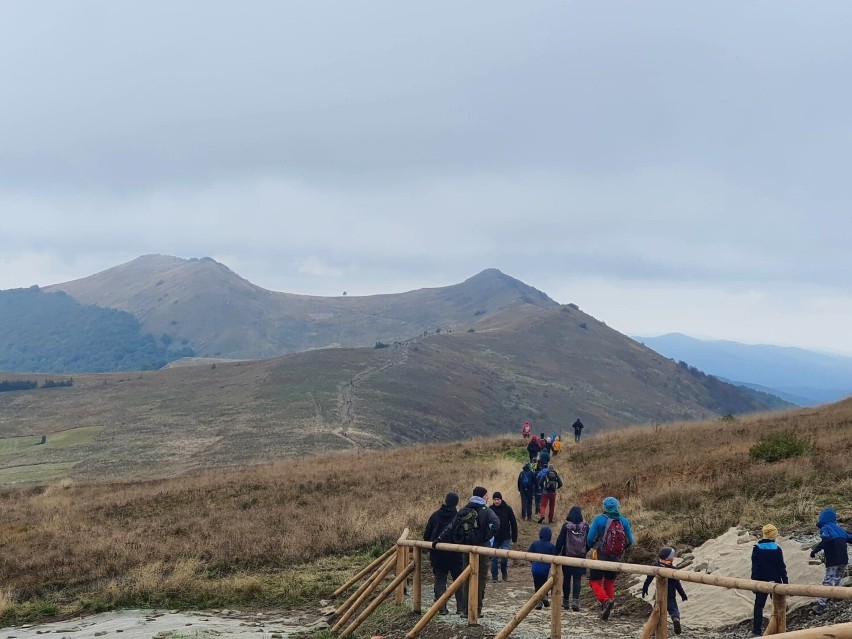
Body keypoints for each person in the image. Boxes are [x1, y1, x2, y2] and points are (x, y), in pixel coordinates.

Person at [434, 486, 500, 618]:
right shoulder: (486, 510)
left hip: (466, 549)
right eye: (487, 495)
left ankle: (465, 610)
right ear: (482, 496)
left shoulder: (464, 509)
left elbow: (451, 526)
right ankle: (476, 610)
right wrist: (487, 538)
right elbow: (496, 523)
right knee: (480, 578)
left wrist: (439, 539)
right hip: (481, 549)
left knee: (466, 578)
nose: (488, 498)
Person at [587, 496, 634, 621]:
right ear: (617, 507)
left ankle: (606, 601)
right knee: (610, 581)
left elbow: (590, 538)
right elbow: (631, 541)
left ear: (605, 507)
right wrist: (621, 549)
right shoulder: (624, 521)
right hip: (616, 557)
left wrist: (594, 546)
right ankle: (608, 607)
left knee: (594, 581)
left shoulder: (599, 519)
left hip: (600, 555)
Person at [423, 492, 465, 615]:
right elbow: (461, 535)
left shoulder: (435, 516)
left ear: (445, 501)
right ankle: (461, 608)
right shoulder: (458, 517)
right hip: (455, 554)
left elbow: (427, 535)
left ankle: (442, 608)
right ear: (456, 503)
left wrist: (429, 547)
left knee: (440, 579)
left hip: (438, 554)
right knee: (458, 580)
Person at [810, 508, 852, 614]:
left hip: (833, 559)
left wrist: (815, 550)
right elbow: (850, 538)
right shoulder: (840, 529)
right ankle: (837, 596)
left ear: (822, 519)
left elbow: (825, 540)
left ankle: (821, 605)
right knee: (838, 578)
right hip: (843, 559)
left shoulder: (825, 528)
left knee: (828, 580)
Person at [751, 523, 788, 636]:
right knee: (779, 606)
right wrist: (785, 582)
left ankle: (757, 631)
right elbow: (782, 567)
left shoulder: (757, 548)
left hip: (762, 581)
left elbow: (755, 567)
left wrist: (754, 582)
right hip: (776, 581)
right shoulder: (777, 549)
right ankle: (780, 628)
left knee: (759, 607)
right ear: (774, 536)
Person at [642, 547, 688, 635]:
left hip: (659, 594)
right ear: (669, 558)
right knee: (674, 609)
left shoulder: (656, 565)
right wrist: (683, 594)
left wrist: (645, 588)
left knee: (656, 610)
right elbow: (677, 584)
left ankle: (652, 630)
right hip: (671, 594)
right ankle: (675, 619)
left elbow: (649, 578)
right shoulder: (672, 569)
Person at [554, 505, 589, 611]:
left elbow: (560, 541)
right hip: (580, 557)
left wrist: (556, 553)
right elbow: (589, 541)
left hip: (567, 555)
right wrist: (585, 551)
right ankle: (576, 601)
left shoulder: (566, 526)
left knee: (567, 578)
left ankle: (565, 602)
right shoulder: (586, 527)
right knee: (577, 579)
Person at [489, 492, 518, 582]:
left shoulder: (507, 509)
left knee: (504, 557)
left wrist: (514, 536)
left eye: (498, 499)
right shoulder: (490, 509)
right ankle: (494, 577)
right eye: (495, 499)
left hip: (505, 537)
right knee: (494, 558)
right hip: (494, 538)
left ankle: (504, 572)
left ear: (501, 500)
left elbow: (513, 523)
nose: (496, 501)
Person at [528, 526, 556, 610]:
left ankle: (538, 602)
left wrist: (532, 562)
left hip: (535, 568)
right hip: (545, 569)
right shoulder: (551, 546)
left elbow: (529, 554)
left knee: (537, 584)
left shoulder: (535, 544)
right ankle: (544, 596)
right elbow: (554, 557)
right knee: (544, 583)